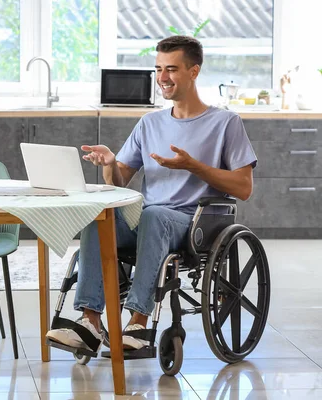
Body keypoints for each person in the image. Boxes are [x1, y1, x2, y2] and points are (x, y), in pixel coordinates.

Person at [46, 35, 258, 352]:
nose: (162, 78)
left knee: (154, 214)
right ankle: (90, 322)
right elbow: (120, 183)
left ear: (194, 71)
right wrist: (109, 163)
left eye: (171, 69)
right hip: (146, 220)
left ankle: (138, 323)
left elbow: (244, 188)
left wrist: (194, 167)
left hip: (193, 223)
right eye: (158, 68)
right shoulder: (150, 123)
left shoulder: (225, 123)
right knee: (99, 214)